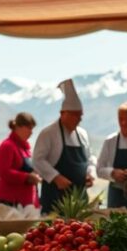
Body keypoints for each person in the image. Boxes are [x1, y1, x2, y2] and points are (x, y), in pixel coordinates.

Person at [34, 79, 97, 211]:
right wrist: (56, 177)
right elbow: (38, 160)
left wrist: (90, 173)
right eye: (75, 115)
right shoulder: (48, 133)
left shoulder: (82, 134)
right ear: (63, 113)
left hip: (80, 198)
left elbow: (90, 158)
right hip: (55, 197)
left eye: (80, 115)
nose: (79, 119)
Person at [0, 112, 41, 207]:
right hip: (10, 202)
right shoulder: (7, 146)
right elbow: (3, 172)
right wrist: (26, 177)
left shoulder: (25, 149)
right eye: (29, 128)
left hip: (26, 203)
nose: (31, 132)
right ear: (19, 127)